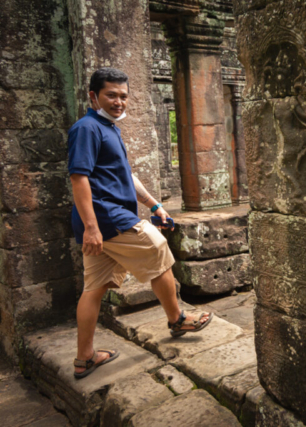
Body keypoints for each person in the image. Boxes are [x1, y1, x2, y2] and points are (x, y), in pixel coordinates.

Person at [68, 68, 211, 379]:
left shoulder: (110, 129)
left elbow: (126, 176)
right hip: (107, 217)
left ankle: (85, 358)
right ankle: (177, 319)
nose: (119, 101)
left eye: (123, 96)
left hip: (103, 221)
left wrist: (155, 206)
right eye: (111, 95)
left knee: (93, 287)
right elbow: (78, 178)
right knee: (158, 248)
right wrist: (92, 227)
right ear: (94, 96)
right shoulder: (87, 129)